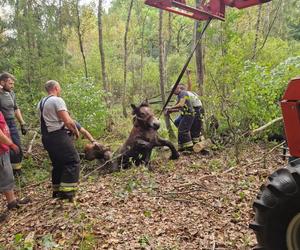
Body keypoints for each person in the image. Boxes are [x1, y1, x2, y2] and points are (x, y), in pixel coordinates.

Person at [38, 80, 80, 202]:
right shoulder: (57, 100)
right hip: (58, 136)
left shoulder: (40, 103)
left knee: (58, 164)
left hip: (46, 138)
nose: (60, 90)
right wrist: (76, 131)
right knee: (73, 160)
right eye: (59, 87)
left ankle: (57, 191)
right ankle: (67, 193)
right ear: (56, 88)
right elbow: (67, 120)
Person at [0, 111, 30, 222]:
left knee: (7, 177)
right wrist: (10, 144)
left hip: (3, 150)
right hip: (1, 149)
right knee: (5, 176)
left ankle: (12, 202)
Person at [0, 72, 28, 176]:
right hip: (2, 124)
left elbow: (15, 108)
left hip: (11, 123)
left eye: (13, 83)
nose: (12, 86)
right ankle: (7, 171)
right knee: (5, 146)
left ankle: (17, 171)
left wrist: (22, 123)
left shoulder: (11, 93)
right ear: (2, 82)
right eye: (10, 83)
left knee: (16, 145)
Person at [165, 83, 195, 151]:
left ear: (176, 89)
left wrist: (170, 108)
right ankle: (181, 146)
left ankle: (189, 148)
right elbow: (178, 108)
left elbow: (181, 105)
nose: (172, 93)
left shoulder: (183, 93)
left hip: (189, 114)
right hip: (184, 114)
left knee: (182, 130)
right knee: (177, 122)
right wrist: (170, 111)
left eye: (173, 91)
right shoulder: (179, 95)